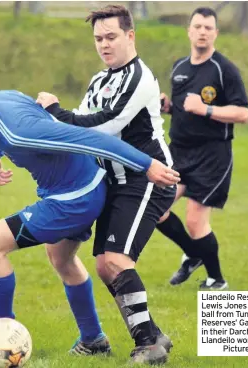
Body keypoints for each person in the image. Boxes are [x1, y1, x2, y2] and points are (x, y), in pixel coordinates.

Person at [0, 75, 180, 357]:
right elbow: (22, 113)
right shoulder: (1, 98)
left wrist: (146, 164)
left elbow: (90, 139)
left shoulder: (21, 132)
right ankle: (94, 340)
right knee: (61, 258)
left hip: (73, 199)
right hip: (80, 187)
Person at [36, 5, 176, 365]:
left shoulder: (139, 77)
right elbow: (80, 123)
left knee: (114, 260)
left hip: (146, 177)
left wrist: (55, 112)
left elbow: (105, 126)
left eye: (111, 36)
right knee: (103, 264)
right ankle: (153, 336)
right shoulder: (100, 80)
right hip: (111, 180)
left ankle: (148, 345)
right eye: (98, 38)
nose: (103, 44)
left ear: (131, 36)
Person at [157, 7, 248, 290]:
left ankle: (216, 280)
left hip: (212, 156)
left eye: (208, 28)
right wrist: (169, 108)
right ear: (189, 31)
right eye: (197, 26)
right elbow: (185, 110)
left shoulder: (224, 70)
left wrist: (206, 109)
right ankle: (193, 253)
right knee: (155, 207)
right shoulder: (179, 67)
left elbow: (242, 113)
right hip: (179, 152)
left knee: (196, 221)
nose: (202, 32)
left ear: (215, 34)